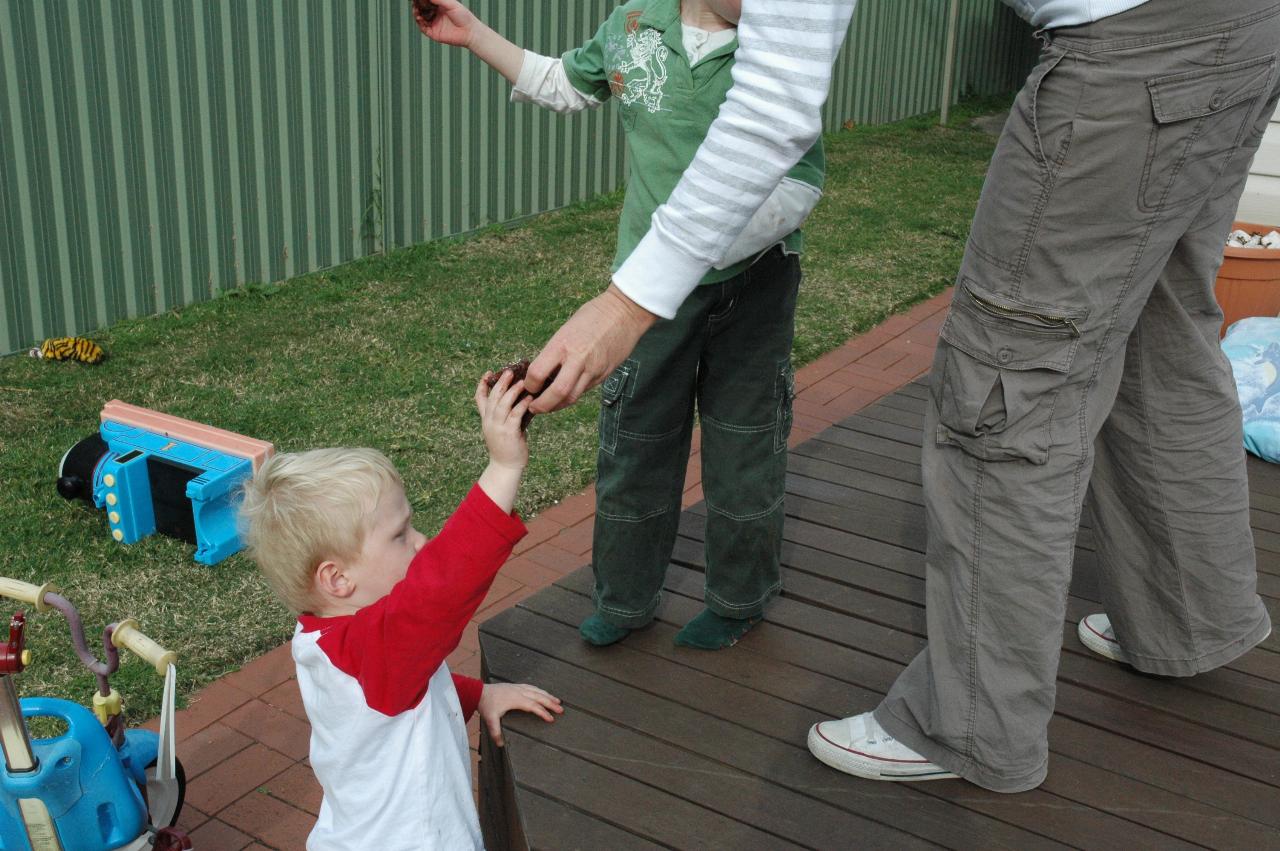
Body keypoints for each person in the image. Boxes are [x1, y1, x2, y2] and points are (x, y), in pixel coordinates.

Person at [522, 0, 1280, 793]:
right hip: (1239, 25)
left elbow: (773, 110)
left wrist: (625, 303)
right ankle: (1186, 616)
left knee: (1008, 380)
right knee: (1160, 325)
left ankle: (973, 725)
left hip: (1132, 53)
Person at [414, 0, 826, 649]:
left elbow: (799, 183)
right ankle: (626, 598)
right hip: (648, 296)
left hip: (755, 284)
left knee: (745, 445)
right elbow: (562, 83)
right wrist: (475, 36)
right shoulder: (634, 25)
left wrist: (692, 252)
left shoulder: (780, 42)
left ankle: (739, 597)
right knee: (636, 444)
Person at [238, 370, 563, 849]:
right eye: (400, 535)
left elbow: (411, 687)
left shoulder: (330, 640)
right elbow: (439, 592)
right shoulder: (371, 649)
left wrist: (475, 696)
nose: (421, 542)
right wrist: (503, 468)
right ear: (337, 579)